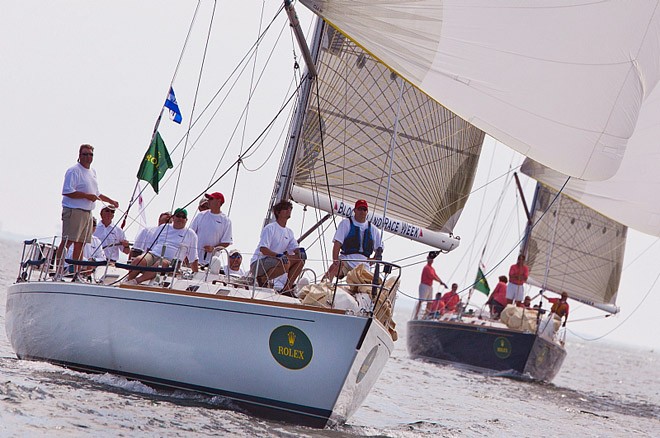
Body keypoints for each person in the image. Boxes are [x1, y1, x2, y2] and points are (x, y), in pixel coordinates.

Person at [55, 144, 119, 275]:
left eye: (90, 154)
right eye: (85, 154)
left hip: (88, 212)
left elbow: (96, 193)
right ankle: (58, 270)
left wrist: (110, 201)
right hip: (74, 210)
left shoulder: (92, 172)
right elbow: (67, 191)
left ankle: (77, 273)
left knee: (81, 243)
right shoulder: (74, 171)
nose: (88, 157)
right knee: (68, 241)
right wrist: (86, 196)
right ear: (79, 155)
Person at [124, 208, 198, 285]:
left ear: (186, 220)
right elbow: (152, 245)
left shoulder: (191, 234)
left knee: (159, 265)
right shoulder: (163, 227)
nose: (180, 219)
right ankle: (127, 281)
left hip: (171, 261)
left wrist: (196, 275)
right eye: (178, 216)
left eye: (183, 217)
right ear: (173, 218)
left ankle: (136, 281)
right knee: (138, 260)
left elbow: (193, 257)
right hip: (154, 254)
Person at [249, 200, 305, 292]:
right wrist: (278, 255)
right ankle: (262, 279)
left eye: (290, 209)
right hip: (258, 263)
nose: (289, 210)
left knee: (300, 260)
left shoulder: (289, 232)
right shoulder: (270, 228)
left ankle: (287, 288)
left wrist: (301, 252)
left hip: (277, 262)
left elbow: (294, 248)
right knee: (285, 262)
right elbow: (263, 249)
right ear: (278, 212)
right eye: (285, 209)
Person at [328, 199, 383, 280]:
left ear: (367, 212)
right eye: (359, 209)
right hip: (346, 259)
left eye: (364, 209)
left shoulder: (373, 229)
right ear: (354, 210)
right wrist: (335, 261)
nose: (362, 211)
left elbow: (379, 248)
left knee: (366, 285)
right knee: (333, 269)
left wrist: (373, 259)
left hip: (363, 265)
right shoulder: (346, 223)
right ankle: (321, 287)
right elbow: (337, 243)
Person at [190, 192, 233, 266]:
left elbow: (227, 241)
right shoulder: (200, 215)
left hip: (211, 263)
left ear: (218, 201)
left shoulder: (226, 221)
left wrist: (213, 249)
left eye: (211, 199)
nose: (208, 201)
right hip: (194, 259)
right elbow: (190, 234)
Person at [413, 251, 447, 318]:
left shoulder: (432, 269)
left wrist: (442, 282)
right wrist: (440, 282)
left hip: (430, 286)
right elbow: (432, 276)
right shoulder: (426, 268)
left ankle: (425, 316)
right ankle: (416, 315)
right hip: (424, 285)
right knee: (421, 300)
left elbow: (435, 275)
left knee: (430, 302)